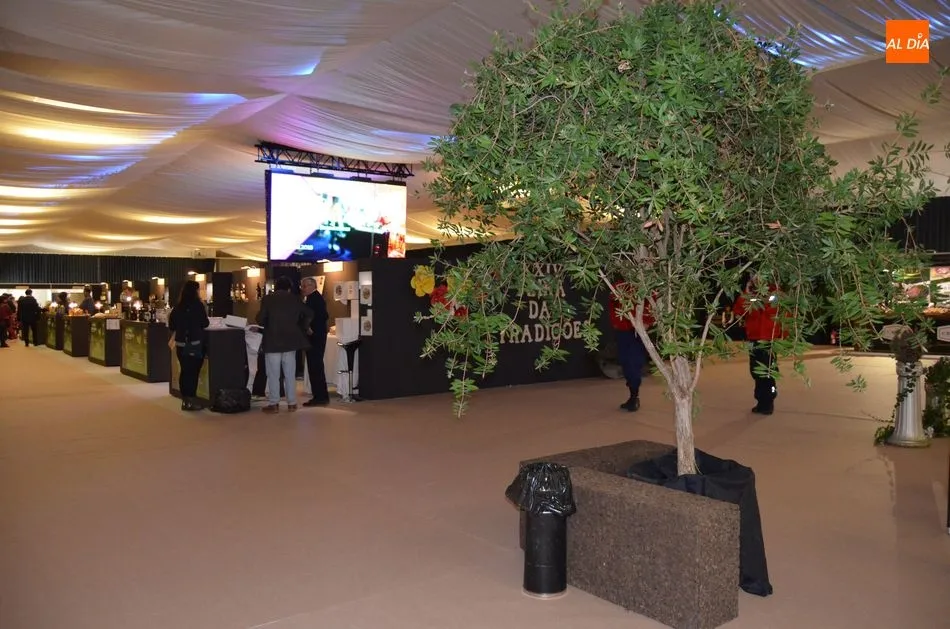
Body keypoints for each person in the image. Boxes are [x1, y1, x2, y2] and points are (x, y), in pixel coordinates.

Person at [257, 276, 312, 414]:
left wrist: (267, 323)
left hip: (272, 341)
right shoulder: (295, 299)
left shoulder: (268, 299)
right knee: (290, 373)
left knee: (273, 374)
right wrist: (301, 327)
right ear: (289, 288)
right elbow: (309, 313)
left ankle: (274, 404)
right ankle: (292, 403)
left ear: (276, 287)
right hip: (290, 341)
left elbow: (260, 319)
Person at [733, 279, 787, 415]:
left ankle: (769, 400)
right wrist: (746, 292)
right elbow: (739, 310)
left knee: (768, 372)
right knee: (755, 371)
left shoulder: (776, 294)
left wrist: (783, 336)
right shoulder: (751, 294)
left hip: (769, 340)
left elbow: (782, 312)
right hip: (754, 338)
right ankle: (761, 401)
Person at [609, 283, 654, 412]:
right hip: (623, 330)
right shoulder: (618, 284)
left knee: (634, 362)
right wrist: (615, 322)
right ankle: (633, 396)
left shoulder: (643, 282)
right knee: (625, 361)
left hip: (637, 329)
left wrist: (648, 321)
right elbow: (613, 303)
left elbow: (652, 302)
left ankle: (634, 396)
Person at [168, 280, 209, 412]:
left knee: (185, 371)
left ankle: (185, 400)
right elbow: (205, 323)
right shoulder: (198, 305)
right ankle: (191, 400)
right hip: (194, 343)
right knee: (193, 373)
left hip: (180, 343)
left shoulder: (178, 306)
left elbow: (172, 325)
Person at [301, 277, 330, 407]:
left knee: (315, 366)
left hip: (315, 337)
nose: (302, 289)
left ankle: (320, 396)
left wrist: (309, 327)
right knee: (315, 366)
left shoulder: (315, 299)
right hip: (317, 336)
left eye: (304, 286)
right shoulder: (314, 298)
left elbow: (322, 316)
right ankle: (320, 395)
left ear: (312, 286)